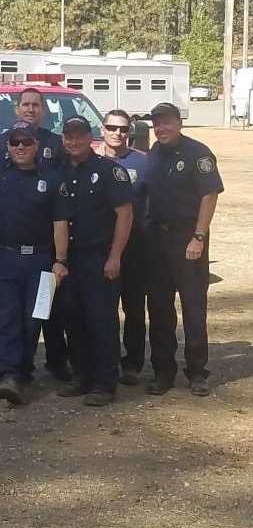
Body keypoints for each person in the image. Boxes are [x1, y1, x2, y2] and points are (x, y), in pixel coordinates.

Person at [0, 121, 69, 405]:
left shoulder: (53, 178)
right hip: (4, 256)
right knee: (5, 317)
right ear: (7, 146)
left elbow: (60, 223)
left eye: (26, 142)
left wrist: (60, 260)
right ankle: (11, 374)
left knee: (34, 320)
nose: (20, 147)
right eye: (15, 142)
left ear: (37, 146)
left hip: (41, 260)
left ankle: (22, 370)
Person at [143, 101, 223, 396]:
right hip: (157, 241)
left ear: (179, 123)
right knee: (160, 308)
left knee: (192, 307)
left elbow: (209, 195)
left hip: (187, 239)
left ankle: (197, 371)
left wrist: (199, 237)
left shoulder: (197, 153)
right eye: (157, 123)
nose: (161, 128)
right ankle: (164, 371)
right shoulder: (154, 154)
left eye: (166, 122)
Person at [54, 117, 135, 406]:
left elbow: (125, 214)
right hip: (68, 260)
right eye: (69, 137)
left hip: (99, 257)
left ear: (91, 138)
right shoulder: (58, 171)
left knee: (101, 321)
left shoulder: (109, 171)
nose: (73, 142)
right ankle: (82, 376)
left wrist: (115, 256)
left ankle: (105, 382)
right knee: (73, 318)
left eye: (79, 136)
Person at [102, 109, 150, 385]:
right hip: (100, 247)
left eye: (123, 129)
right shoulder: (90, 161)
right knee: (104, 309)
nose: (117, 133)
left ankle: (132, 363)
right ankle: (105, 360)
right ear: (103, 129)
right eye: (112, 127)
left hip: (136, 247)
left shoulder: (143, 163)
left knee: (133, 309)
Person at [0, 86, 65, 169]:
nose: (31, 109)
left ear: (43, 110)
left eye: (35, 105)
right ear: (17, 109)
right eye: (26, 104)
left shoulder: (56, 142)